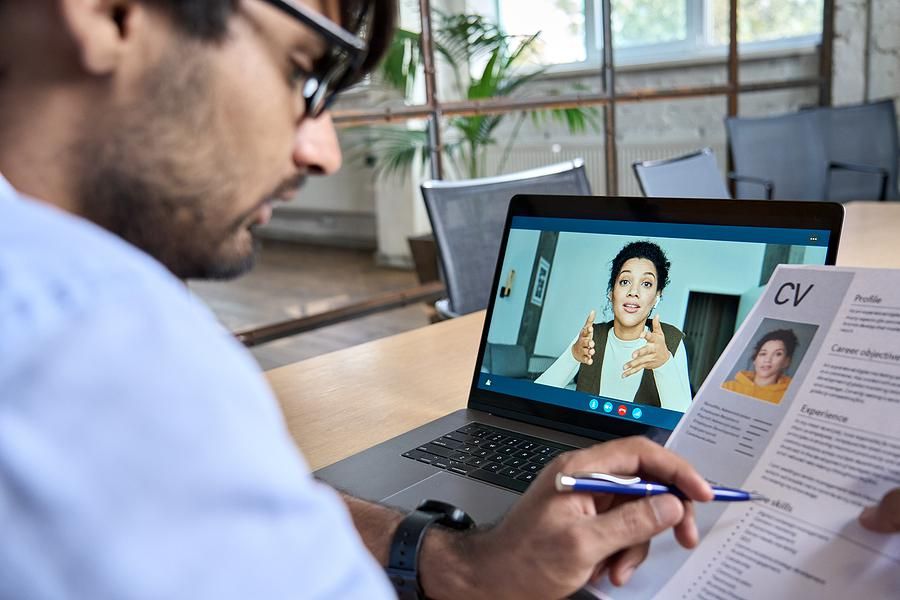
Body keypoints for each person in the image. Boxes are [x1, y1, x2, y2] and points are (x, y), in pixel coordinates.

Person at [0, 1, 715, 597]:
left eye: (645, 285)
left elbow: (225, 514)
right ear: (108, 12)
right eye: (303, 72)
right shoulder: (96, 334)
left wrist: (456, 563)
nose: (325, 151)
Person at [537, 241, 692, 412]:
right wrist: (573, 356)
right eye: (625, 281)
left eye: (646, 284)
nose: (633, 292)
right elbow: (535, 397)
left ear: (656, 297)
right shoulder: (590, 336)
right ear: (611, 292)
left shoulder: (671, 341)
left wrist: (664, 364)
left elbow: (685, 420)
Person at [722, 328, 798, 404]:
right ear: (755, 359)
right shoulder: (729, 387)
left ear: (786, 361)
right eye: (763, 354)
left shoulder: (789, 398)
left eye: (778, 354)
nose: (767, 360)